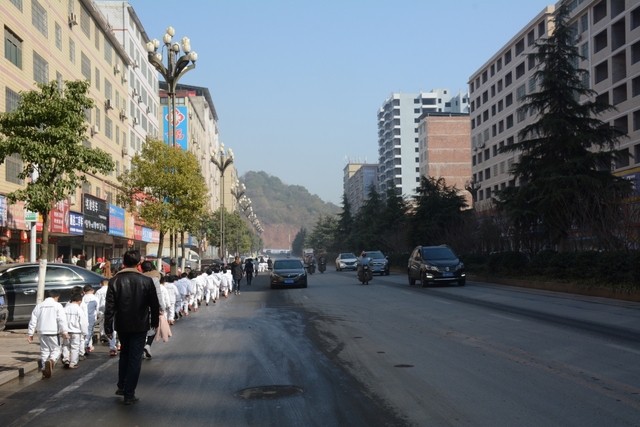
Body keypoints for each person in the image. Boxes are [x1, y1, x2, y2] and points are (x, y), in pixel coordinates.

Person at [104, 250, 160, 405]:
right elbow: (154, 304)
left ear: (123, 262)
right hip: (140, 325)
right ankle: (129, 393)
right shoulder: (146, 281)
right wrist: (155, 322)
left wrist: (108, 327)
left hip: (122, 324)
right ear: (138, 263)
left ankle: (122, 386)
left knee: (125, 355)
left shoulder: (114, 281)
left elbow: (109, 307)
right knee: (135, 358)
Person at [27, 290, 69, 379]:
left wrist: (30, 333)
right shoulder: (57, 305)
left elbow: (33, 320)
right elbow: (61, 319)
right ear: (56, 297)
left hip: (41, 331)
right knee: (57, 349)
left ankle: (44, 368)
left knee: (44, 350)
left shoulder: (39, 306)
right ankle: (51, 361)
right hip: (53, 331)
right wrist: (65, 331)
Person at [141, 260, 165, 359]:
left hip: (140, 307)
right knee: (153, 327)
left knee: (141, 329)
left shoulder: (140, 277)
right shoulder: (155, 279)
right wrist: (161, 307)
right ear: (152, 268)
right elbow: (158, 295)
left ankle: (141, 349)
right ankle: (148, 345)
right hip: (152, 307)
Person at [62, 293, 87, 369]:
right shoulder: (79, 309)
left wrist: (62, 330)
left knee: (66, 345)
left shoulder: (65, 309)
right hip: (76, 332)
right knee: (75, 347)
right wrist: (85, 332)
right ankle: (73, 363)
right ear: (79, 301)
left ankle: (66, 359)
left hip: (66, 331)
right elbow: (83, 322)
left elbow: (61, 320)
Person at [82, 284, 98, 354]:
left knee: (84, 331)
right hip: (91, 316)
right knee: (90, 331)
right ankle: (85, 346)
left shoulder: (82, 298)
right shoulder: (94, 298)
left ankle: (89, 345)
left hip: (83, 317)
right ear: (92, 290)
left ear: (84, 291)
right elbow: (97, 308)